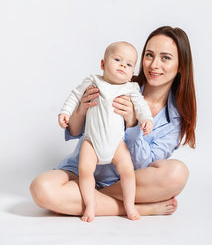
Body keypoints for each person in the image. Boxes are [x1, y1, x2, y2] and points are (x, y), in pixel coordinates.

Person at [30, 26, 196, 217]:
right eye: (149, 55)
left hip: (126, 180)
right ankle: (136, 207)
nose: (154, 65)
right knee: (41, 189)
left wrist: (134, 124)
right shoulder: (117, 81)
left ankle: (89, 198)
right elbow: (76, 131)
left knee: (177, 173)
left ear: (181, 66)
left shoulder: (175, 119)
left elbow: (145, 166)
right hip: (82, 170)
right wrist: (80, 110)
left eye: (165, 58)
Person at [58, 41, 153, 222]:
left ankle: (129, 205)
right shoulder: (93, 81)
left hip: (117, 143)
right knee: (85, 170)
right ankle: (91, 205)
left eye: (129, 64)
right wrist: (65, 112)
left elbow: (141, 106)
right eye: (117, 59)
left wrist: (146, 119)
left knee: (128, 171)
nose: (122, 65)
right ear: (103, 64)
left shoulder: (130, 88)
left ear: (132, 73)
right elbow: (74, 95)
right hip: (91, 142)